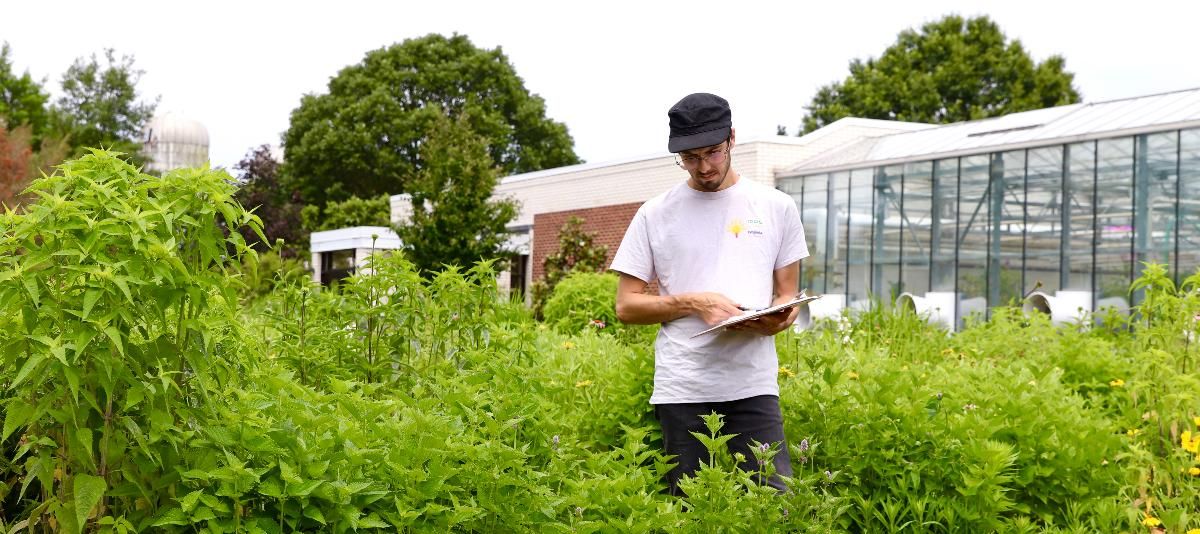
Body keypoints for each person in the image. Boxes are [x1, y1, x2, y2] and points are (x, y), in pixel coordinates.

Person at [610, 92, 808, 495]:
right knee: (689, 506)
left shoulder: (777, 207)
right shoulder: (655, 213)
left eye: (713, 153)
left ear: (732, 138)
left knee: (774, 502)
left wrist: (774, 320)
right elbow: (626, 306)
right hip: (683, 386)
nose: (703, 167)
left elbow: (786, 294)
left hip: (753, 384)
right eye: (690, 157)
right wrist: (694, 302)